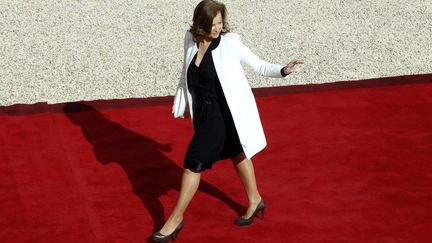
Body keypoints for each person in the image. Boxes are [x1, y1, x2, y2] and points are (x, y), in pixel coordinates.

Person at [152, 0, 304, 242]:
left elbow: (259, 66)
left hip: (223, 114)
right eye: (212, 24)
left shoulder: (230, 43)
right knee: (236, 150)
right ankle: (255, 200)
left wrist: (283, 70)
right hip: (203, 113)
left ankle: (175, 220)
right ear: (200, 23)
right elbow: (185, 72)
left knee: (193, 161)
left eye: (220, 23)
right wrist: (181, 100)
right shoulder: (190, 39)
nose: (217, 28)